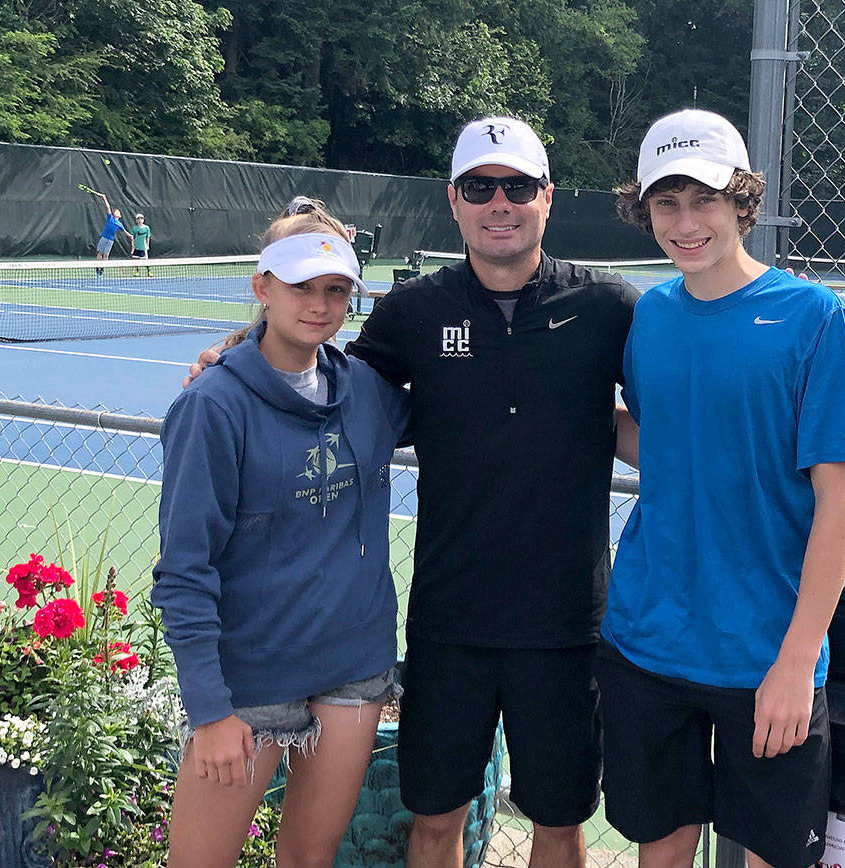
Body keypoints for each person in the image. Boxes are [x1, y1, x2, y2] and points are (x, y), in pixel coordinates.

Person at [187, 117, 640, 868]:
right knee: (437, 822)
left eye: (518, 186)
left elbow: (655, 421)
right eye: (480, 187)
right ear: (454, 201)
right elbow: (323, 384)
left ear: (548, 199)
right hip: (448, 622)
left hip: (566, 626)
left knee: (559, 825)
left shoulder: (609, 308)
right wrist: (236, 353)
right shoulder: (412, 312)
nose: (500, 202)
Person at [600, 108, 845, 868]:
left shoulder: (813, 318)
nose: (685, 223)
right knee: (662, 851)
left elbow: (838, 505)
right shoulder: (649, 316)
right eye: (666, 203)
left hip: (766, 658)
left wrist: (794, 662)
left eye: (705, 200)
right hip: (648, 639)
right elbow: (664, 446)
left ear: (742, 201)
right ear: (643, 207)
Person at [152, 201, 410, 867]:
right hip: (249, 681)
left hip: (352, 669)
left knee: (308, 860)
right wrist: (209, 713)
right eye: (300, 287)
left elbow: (470, 409)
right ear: (262, 286)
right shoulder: (212, 406)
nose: (319, 305)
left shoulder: (371, 394)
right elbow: (183, 573)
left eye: (335, 291)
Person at [93, 192, 129, 276]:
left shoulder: (120, 224)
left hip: (110, 240)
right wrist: (104, 198)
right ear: (114, 213)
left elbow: (125, 232)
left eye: (118, 211)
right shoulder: (110, 218)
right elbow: (108, 207)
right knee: (99, 253)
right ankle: (98, 268)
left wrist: (130, 236)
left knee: (106, 255)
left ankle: (102, 270)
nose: (118, 212)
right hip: (104, 237)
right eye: (116, 211)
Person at [130, 212, 152, 277]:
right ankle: (137, 272)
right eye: (138, 219)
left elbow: (147, 237)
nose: (140, 220)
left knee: (146, 261)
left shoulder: (146, 228)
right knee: (136, 260)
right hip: (136, 247)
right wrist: (132, 244)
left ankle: (149, 271)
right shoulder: (134, 228)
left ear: (143, 220)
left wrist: (147, 245)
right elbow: (132, 237)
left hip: (143, 247)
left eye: (141, 218)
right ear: (136, 220)